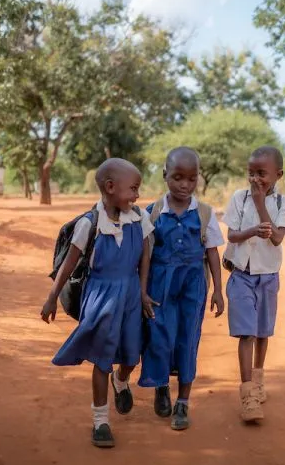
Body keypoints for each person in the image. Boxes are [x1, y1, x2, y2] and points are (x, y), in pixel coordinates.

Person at [41, 158, 155, 448]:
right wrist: (52, 297)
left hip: (129, 294)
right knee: (102, 357)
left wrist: (142, 293)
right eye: (133, 188)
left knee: (131, 356)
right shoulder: (89, 224)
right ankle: (100, 420)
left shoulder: (139, 218)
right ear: (110, 187)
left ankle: (122, 380)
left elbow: (144, 258)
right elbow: (67, 266)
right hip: (101, 296)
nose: (137, 195)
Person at [138, 147, 225, 431]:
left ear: (198, 178)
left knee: (188, 340)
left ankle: (183, 403)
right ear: (165, 176)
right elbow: (145, 255)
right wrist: (142, 290)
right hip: (159, 285)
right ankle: (161, 386)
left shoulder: (204, 213)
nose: (184, 185)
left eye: (191, 178)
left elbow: (212, 252)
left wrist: (217, 291)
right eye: (177, 177)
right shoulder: (151, 213)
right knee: (159, 338)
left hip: (193, 286)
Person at [222, 146, 285, 422]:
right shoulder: (239, 199)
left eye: (262, 174)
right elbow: (232, 236)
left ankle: (259, 377)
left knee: (263, 332)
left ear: (278, 175)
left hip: (268, 277)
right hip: (241, 275)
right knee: (246, 333)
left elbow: (277, 238)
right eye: (251, 173)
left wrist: (261, 204)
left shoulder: (282, 204)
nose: (255, 180)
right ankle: (248, 394)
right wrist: (252, 229)